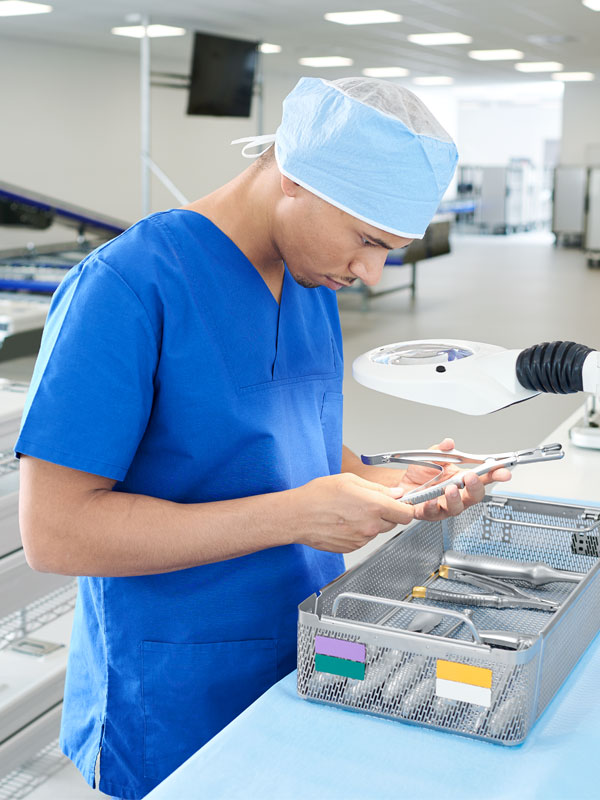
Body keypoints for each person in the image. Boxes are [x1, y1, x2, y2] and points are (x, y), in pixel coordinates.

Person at [16, 76, 511, 799]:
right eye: (368, 240)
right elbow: (56, 532)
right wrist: (299, 515)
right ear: (293, 180)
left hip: (307, 650)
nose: (370, 273)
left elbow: (287, 448)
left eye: (390, 251)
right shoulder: (127, 289)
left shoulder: (310, 282)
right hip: (173, 682)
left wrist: (396, 486)